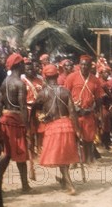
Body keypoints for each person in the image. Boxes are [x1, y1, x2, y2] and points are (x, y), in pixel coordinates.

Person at [33, 64, 81, 195]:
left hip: (53, 127)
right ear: (57, 75)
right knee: (64, 156)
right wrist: (77, 129)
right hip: (67, 124)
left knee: (61, 157)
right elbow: (72, 111)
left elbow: (34, 108)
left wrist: (40, 117)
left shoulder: (42, 93)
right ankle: (65, 181)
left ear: (45, 77)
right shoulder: (65, 91)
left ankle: (70, 185)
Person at [0, 53, 32, 193]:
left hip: (5, 119)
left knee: (8, 153)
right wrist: (27, 126)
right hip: (16, 120)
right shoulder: (19, 84)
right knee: (20, 152)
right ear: (19, 65)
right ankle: (24, 185)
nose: (25, 66)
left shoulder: (4, 82)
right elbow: (23, 106)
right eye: (23, 63)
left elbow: (0, 104)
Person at [64, 55, 104, 164]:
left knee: (88, 138)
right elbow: (65, 95)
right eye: (82, 64)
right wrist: (72, 108)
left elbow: (98, 98)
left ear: (90, 66)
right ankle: (74, 161)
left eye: (86, 64)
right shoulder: (71, 77)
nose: (84, 67)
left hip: (88, 113)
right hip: (74, 113)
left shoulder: (95, 80)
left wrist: (96, 112)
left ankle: (88, 159)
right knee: (73, 138)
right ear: (79, 65)